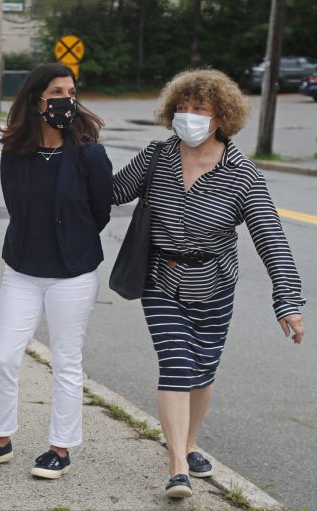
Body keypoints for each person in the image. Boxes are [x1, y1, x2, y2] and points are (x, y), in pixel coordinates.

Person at [111, 68, 305, 498]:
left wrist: (287, 300)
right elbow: (110, 191)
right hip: (161, 276)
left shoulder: (243, 175)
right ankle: (178, 465)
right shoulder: (156, 157)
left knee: (202, 370)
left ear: (221, 118)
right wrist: (64, 158)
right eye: (181, 108)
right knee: (177, 364)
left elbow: (271, 237)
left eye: (199, 109)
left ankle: (191, 442)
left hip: (215, 283)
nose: (188, 115)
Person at [0, 63, 113, 479]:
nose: (66, 99)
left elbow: (100, 212)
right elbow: (16, 206)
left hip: (73, 274)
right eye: (56, 92)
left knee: (66, 360)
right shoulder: (16, 150)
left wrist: (72, 241)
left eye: (71, 90)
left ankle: (59, 450)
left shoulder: (89, 153)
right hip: (23, 270)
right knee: (4, 356)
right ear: (36, 99)